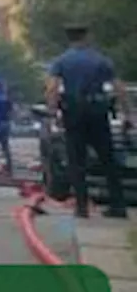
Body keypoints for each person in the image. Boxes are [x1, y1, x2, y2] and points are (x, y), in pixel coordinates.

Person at [47, 23, 127, 219]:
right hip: (98, 113)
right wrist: (128, 114)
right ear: (86, 37)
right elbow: (119, 88)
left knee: (77, 161)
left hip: (74, 114)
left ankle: (81, 207)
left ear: (69, 39)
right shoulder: (101, 60)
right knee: (108, 160)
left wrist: (53, 113)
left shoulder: (61, 61)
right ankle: (118, 206)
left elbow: (52, 88)